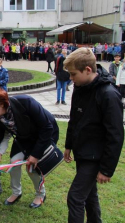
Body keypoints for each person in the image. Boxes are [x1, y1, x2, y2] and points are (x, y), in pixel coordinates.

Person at [63, 47, 124, 223]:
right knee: (89, 196)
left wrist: (106, 169)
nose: (71, 78)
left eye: (73, 74)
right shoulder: (80, 87)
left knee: (75, 197)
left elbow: (116, 135)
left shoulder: (108, 94)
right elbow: (74, 119)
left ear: (88, 70)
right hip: (82, 153)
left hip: (95, 157)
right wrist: (69, 145)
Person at [0, 84, 59, 209]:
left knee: (31, 168)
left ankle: (40, 194)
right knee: (13, 163)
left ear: (0, 104)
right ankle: (16, 192)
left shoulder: (26, 102)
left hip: (43, 136)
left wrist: (35, 155)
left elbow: (47, 128)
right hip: (24, 139)